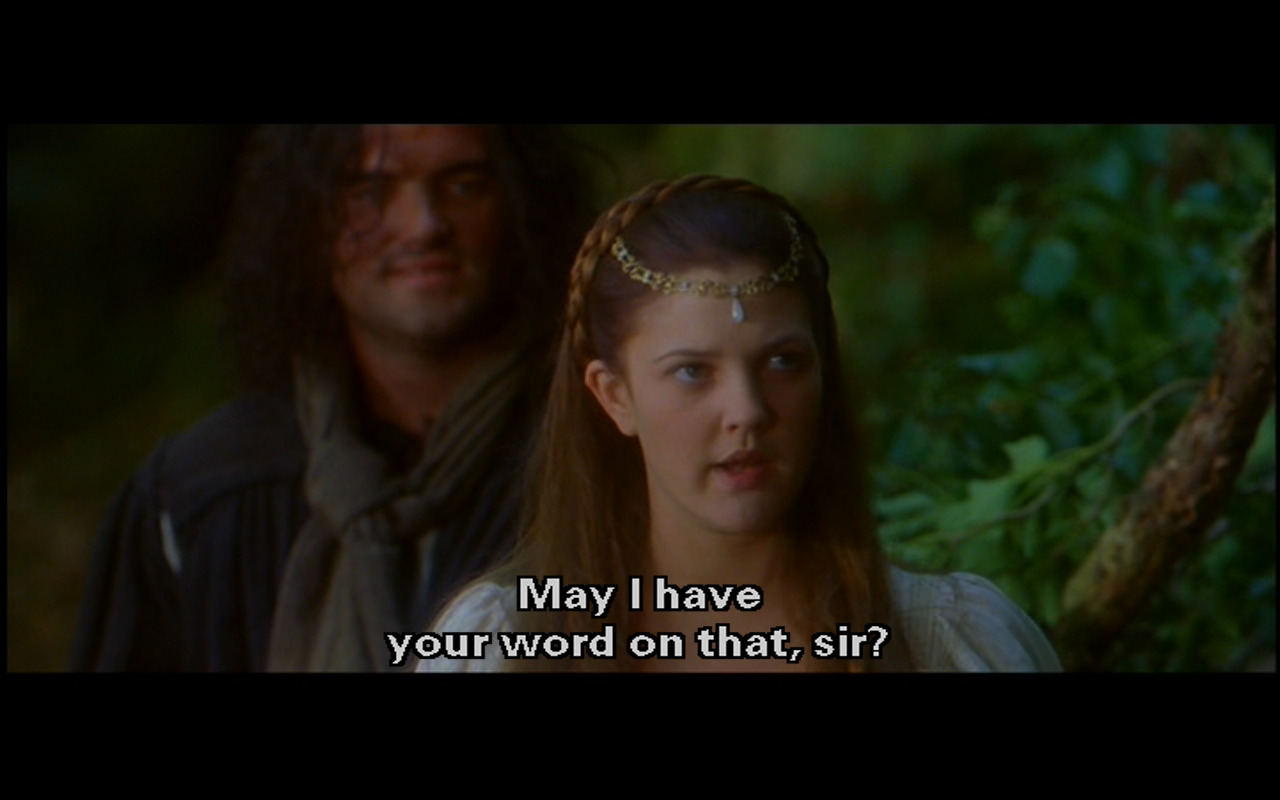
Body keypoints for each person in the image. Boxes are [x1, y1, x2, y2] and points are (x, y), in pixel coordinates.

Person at [420, 175, 1062, 672]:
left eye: (782, 363)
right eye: (693, 372)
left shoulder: (946, 641)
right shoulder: (502, 644)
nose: (749, 410)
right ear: (615, 396)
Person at [71, 125, 596, 671]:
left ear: (520, 204)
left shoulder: (600, 456)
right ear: (306, 216)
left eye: (464, 186)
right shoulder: (206, 490)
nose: (424, 225)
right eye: (369, 192)